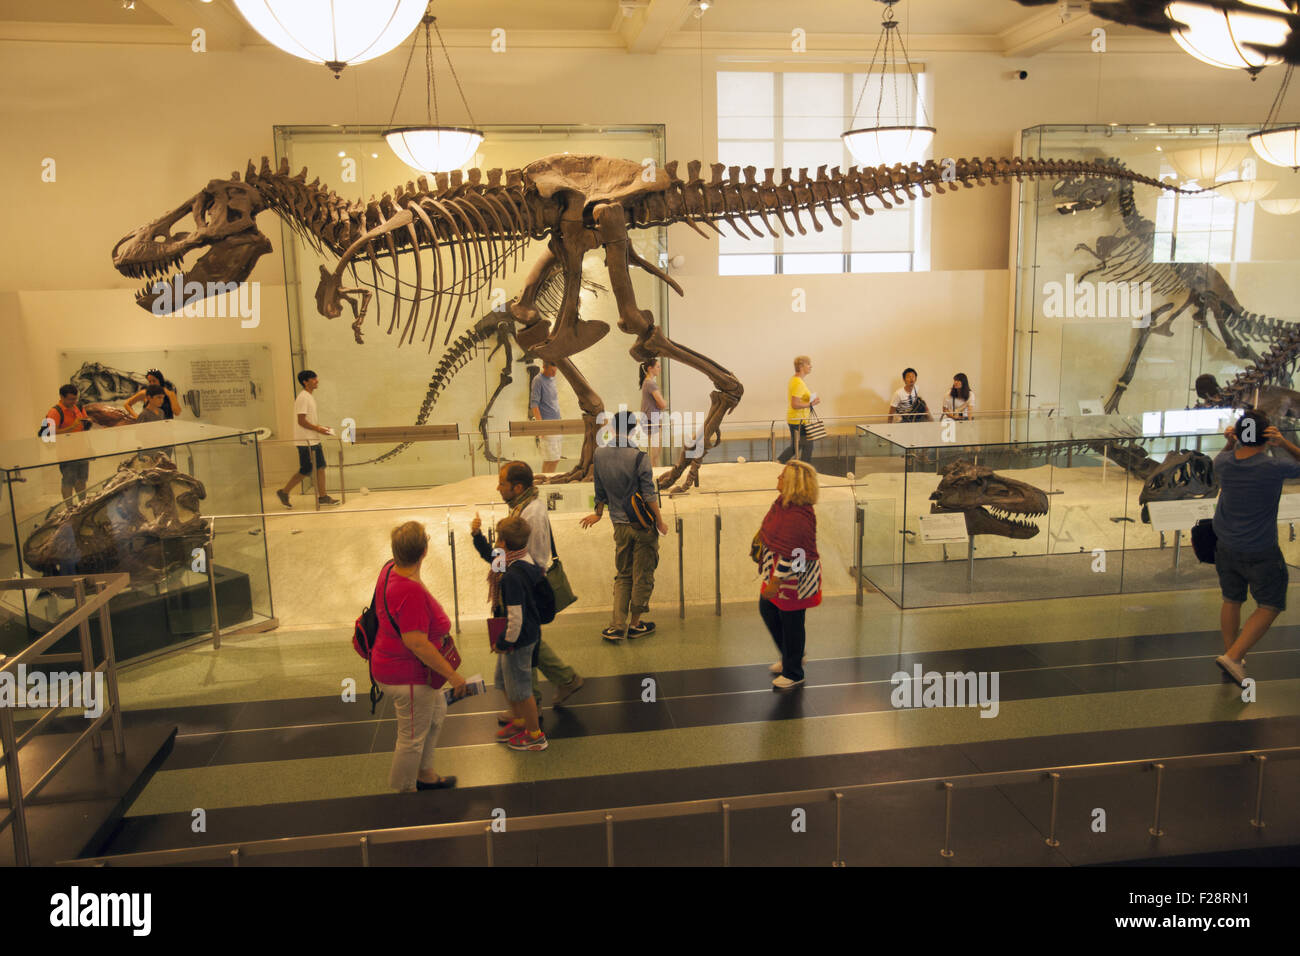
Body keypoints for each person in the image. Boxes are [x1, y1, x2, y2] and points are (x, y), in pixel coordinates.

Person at [470, 460, 585, 722]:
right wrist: (479, 539)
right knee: (531, 641)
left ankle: (531, 706)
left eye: (502, 483)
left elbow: (519, 556)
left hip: (526, 586)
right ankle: (564, 680)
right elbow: (505, 557)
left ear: (517, 486)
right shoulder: (522, 508)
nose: (498, 487)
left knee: (525, 642)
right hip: (525, 581)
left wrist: (505, 571)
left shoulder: (529, 513)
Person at [369, 521, 466, 791]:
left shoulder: (390, 569)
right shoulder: (408, 591)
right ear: (424, 550)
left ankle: (425, 773)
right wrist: (453, 675)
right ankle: (404, 791)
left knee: (436, 713)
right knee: (411, 738)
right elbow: (417, 643)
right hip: (407, 675)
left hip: (399, 665)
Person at [1211, 411, 1300, 686]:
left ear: (1237, 435)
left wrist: (1230, 442)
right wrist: (1284, 444)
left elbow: (1221, 459)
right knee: (1271, 603)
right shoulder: (1274, 467)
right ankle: (1234, 656)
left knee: (1231, 598)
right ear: (1267, 436)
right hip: (1260, 548)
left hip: (1225, 544)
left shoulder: (1225, 462)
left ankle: (1232, 653)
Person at [580, 410, 669, 639]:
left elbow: (599, 489)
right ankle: (636, 624)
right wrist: (659, 521)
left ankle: (617, 625)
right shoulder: (640, 457)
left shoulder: (599, 454)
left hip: (619, 525)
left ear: (612, 428)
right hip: (642, 527)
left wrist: (598, 513)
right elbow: (649, 496)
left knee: (623, 574)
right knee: (643, 574)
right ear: (633, 430)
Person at [754, 461, 822, 690]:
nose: (778, 478)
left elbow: (796, 555)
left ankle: (794, 672)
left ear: (793, 483)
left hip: (793, 580)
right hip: (779, 574)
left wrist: (777, 580)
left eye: (782, 476)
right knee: (769, 609)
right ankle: (791, 656)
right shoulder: (783, 505)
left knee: (792, 622)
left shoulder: (799, 516)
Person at [485, 515, 549, 751]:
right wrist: (478, 538)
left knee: (521, 689)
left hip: (519, 640)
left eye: (497, 539)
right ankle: (520, 720)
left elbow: (515, 617)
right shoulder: (523, 558)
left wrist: (504, 642)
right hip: (522, 635)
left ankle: (535, 735)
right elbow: (494, 561)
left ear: (502, 542)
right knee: (505, 680)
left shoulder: (512, 576)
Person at [277, 369, 337, 507]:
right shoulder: (303, 397)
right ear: (305, 381)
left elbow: (308, 420)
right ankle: (284, 492)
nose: (317, 380)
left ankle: (323, 497)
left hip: (313, 439)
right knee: (306, 469)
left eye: (316, 378)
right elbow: (301, 421)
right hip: (306, 441)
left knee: (321, 467)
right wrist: (318, 429)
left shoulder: (309, 397)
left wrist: (321, 428)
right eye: (313, 378)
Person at [44, 384, 90, 500]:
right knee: (68, 481)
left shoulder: (78, 407)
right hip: (66, 453)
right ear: (62, 397)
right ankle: (69, 509)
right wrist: (72, 427)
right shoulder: (54, 412)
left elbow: (85, 421)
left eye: (75, 399)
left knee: (82, 479)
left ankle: (83, 505)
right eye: (70, 399)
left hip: (82, 449)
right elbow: (49, 433)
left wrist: (87, 422)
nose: (73, 402)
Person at [778, 355, 819, 464]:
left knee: (798, 445)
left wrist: (810, 401)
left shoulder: (795, 380)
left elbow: (797, 401)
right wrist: (811, 403)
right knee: (807, 447)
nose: (811, 366)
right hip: (799, 420)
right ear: (801, 366)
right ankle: (804, 470)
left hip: (797, 419)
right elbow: (795, 404)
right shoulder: (798, 383)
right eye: (808, 364)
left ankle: (778, 463)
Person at [529, 360, 563, 474]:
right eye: (552, 371)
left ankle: (549, 480)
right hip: (547, 425)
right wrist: (541, 426)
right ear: (544, 367)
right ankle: (546, 482)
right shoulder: (538, 380)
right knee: (550, 459)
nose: (554, 373)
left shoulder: (553, 379)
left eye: (555, 370)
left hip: (557, 423)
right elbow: (534, 404)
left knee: (556, 458)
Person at [640, 359, 667, 450]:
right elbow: (663, 404)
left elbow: (660, 404)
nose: (660, 369)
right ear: (650, 368)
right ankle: (653, 465)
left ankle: (653, 464)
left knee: (655, 449)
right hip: (651, 419)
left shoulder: (647, 382)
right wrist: (662, 403)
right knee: (655, 451)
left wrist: (660, 404)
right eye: (658, 367)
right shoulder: (650, 383)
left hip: (650, 418)